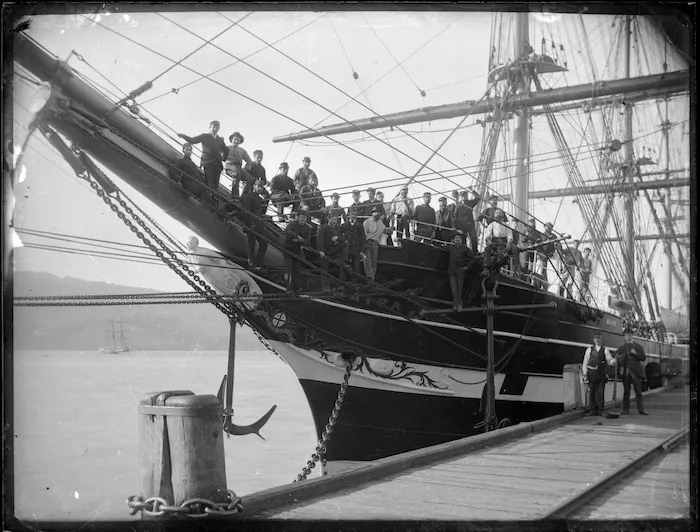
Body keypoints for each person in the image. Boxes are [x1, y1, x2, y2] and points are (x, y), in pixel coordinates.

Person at [178, 120, 229, 190]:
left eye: (217, 127)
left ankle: (215, 198)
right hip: (208, 163)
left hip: (218, 164)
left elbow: (226, 150)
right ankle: (209, 196)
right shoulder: (204, 136)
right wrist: (183, 136)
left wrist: (224, 158)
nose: (215, 129)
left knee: (216, 183)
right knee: (209, 182)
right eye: (214, 127)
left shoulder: (219, 140)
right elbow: (192, 140)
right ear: (210, 127)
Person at [581, 332, 617, 416]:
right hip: (591, 373)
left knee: (601, 392)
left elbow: (609, 360)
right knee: (592, 392)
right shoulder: (589, 349)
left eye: (599, 338)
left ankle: (601, 410)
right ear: (594, 340)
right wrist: (585, 373)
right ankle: (592, 410)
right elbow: (585, 362)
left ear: (602, 339)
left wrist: (613, 361)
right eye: (596, 338)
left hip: (601, 374)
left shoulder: (605, 350)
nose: (597, 340)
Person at [616, 327, 648, 415]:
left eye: (629, 335)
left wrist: (636, 353)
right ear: (624, 337)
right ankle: (625, 409)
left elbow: (643, 358)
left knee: (638, 391)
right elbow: (616, 357)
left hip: (636, 372)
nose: (628, 337)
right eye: (626, 335)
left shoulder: (638, 346)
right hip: (626, 372)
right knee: (626, 392)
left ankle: (641, 410)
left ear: (632, 336)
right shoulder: (622, 347)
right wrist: (619, 358)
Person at [481, 209, 522, 276]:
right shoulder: (491, 225)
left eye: (500, 213)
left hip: (505, 241)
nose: (498, 214)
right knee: (487, 249)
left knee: (515, 249)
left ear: (503, 215)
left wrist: (509, 243)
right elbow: (488, 236)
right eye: (496, 213)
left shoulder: (506, 225)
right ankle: (486, 268)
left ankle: (517, 269)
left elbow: (510, 236)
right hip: (495, 241)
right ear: (494, 215)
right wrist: (489, 241)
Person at [239, 179, 268, 269]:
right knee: (251, 244)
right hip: (251, 224)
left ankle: (258, 263)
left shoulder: (258, 198)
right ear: (254, 186)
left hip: (258, 224)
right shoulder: (249, 197)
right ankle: (251, 264)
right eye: (258, 186)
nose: (260, 188)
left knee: (264, 243)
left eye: (261, 187)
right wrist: (251, 224)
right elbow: (246, 212)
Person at [317, 214, 350, 290]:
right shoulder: (323, 228)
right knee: (324, 270)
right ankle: (326, 288)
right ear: (329, 219)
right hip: (326, 250)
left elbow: (343, 237)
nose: (334, 221)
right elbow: (320, 240)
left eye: (335, 220)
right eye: (332, 219)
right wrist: (321, 250)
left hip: (334, 250)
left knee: (345, 243)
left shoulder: (337, 228)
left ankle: (343, 261)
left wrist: (338, 238)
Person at [283, 210, 311, 292]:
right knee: (288, 269)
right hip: (288, 249)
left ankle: (297, 287)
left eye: (304, 218)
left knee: (297, 270)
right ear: (297, 218)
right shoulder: (293, 224)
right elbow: (287, 231)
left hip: (298, 250)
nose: (302, 219)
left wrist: (299, 240)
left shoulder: (307, 228)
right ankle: (288, 289)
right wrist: (297, 236)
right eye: (301, 217)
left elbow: (307, 241)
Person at [362, 206, 390, 281]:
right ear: (372, 213)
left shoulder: (380, 223)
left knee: (374, 263)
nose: (377, 214)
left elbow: (385, 230)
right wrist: (364, 245)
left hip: (376, 243)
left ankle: (372, 279)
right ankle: (369, 278)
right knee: (367, 262)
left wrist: (390, 229)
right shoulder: (367, 222)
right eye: (376, 212)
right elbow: (364, 234)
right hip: (368, 242)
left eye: (379, 213)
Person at [448, 233, 474, 311]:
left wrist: (467, 267)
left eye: (459, 238)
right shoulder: (450, 248)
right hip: (452, 270)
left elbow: (472, 258)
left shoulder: (465, 248)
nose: (457, 239)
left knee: (460, 288)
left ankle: (459, 304)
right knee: (453, 288)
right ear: (453, 240)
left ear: (462, 240)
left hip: (460, 270)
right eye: (456, 238)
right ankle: (455, 304)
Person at [224, 132, 253, 199]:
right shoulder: (226, 148)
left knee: (248, 177)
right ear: (232, 140)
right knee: (237, 174)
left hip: (238, 166)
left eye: (238, 140)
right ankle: (235, 194)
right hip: (229, 165)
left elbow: (249, 161)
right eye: (235, 139)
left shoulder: (242, 150)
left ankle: (244, 196)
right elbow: (219, 154)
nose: (236, 141)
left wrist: (246, 169)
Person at [340, 209, 366, 280]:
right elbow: (339, 236)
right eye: (352, 214)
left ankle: (355, 285)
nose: (353, 216)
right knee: (344, 267)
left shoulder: (360, 226)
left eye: (355, 214)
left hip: (356, 250)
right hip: (346, 249)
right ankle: (342, 284)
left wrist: (362, 250)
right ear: (349, 216)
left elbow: (363, 238)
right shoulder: (344, 225)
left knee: (356, 268)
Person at [453, 188, 481, 253]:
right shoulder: (458, 206)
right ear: (460, 197)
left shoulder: (470, 203)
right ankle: (463, 252)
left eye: (465, 196)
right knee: (462, 240)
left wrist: (472, 190)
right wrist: (456, 228)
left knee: (474, 238)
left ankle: (475, 252)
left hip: (470, 225)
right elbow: (455, 217)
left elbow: (478, 197)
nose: (464, 197)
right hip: (461, 226)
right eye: (462, 196)